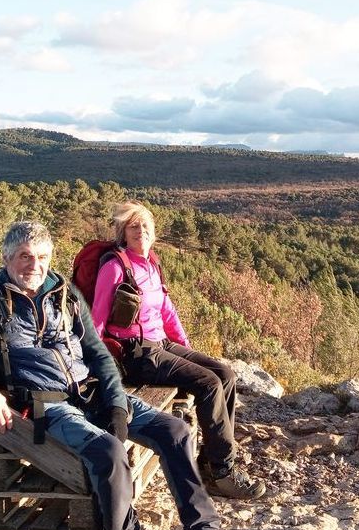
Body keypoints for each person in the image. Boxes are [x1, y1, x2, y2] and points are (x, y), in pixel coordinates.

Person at [0, 220, 251, 530]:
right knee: (108, 450)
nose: (34, 265)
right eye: (24, 256)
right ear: (7, 258)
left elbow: (98, 354)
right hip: (46, 406)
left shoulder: (64, 294)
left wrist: (117, 404)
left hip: (92, 392)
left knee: (176, 432)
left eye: (41, 257)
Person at [90, 201, 266, 500]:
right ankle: (222, 472)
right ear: (122, 232)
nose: (140, 231)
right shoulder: (115, 267)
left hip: (162, 345)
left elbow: (167, 311)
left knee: (223, 374)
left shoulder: (152, 264)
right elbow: (97, 316)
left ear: (154, 232)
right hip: (136, 352)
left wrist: (186, 352)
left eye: (145, 225)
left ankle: (210, 462)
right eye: (133, 226)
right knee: (208, 384)